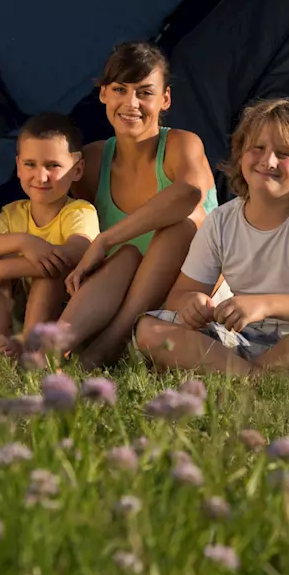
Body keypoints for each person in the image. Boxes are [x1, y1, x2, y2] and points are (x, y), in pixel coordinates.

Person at [134, 97, 289, 377]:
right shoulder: (221, 221)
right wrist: (192, 304)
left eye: (284, 154)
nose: (268, 161)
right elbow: (180, 296)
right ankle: (255, 377)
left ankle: (239, 374)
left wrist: (264, 304)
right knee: (149, 329)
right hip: (240, 339)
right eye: (257, 148)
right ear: (240, 154)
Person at [43, 41, 218, 369]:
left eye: (144, 92)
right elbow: (53, 217)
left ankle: (112, 344)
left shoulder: (182, 144)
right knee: (125, 256)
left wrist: (105, 239)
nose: (131, 103)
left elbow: (190, 193)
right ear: (103, 94)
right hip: (113, 297)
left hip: (186, 299)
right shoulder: (92, 162)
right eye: (120, 89)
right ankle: (54, 347)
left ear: (165, 98)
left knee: (185, 221)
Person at [0, 113, 99, 362]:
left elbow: (76, 252)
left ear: (77, 169)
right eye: (30, 164)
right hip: (22, 304)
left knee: (49, 268)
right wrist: (24, 242)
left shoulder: (79, 211)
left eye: (53, 166)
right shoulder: (14, 212)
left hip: (64, 310)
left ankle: (30, 347)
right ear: (18, 165)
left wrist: (1, 270)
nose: (40, 176)